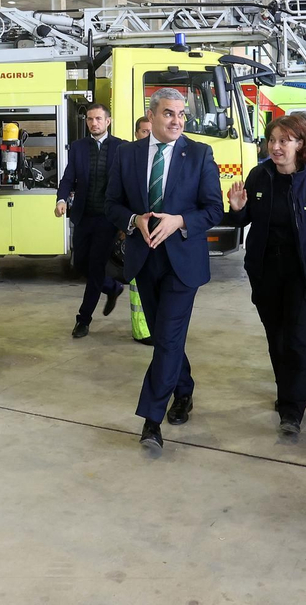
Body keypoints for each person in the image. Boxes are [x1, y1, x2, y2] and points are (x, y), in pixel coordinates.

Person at [107, 88, 224, 453]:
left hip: (182, 263)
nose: (177, 121)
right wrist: (134, 218)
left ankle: (151, 421)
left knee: (169, 339)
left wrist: (179, 221)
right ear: (152, 116)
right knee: (164, 338)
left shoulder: (200, 153)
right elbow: (110, 203)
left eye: (181, 115)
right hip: (145, 259)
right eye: (169, 114)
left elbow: (213, 210)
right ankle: (184, 390)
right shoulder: (127, 154)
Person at [224, 115, 306, 438]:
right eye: (273, 140)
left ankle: (293, 407)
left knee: (295, 337)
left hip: (303, 271)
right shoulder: (259, 176)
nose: (276, 147)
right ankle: (286, 394)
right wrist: (237, 209)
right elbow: (243, 221)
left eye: (285, 140)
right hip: (265, 271)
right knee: (276, 337)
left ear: (300, 144)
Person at [57, 104, 126, 339]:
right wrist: (61, 199)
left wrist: (127, 219)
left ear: (108, 121)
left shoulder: (121, 148)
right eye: (89, 119)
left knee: (96, 266)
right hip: (84, 216)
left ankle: (83, 320)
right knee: (80, 264)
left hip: (107, 219)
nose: (93, 123)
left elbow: (127, 184)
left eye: (98, 119)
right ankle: (111, 287)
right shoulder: (78, 148)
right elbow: (68, 177)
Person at [125, 116, 153, 345]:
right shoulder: (129, 157)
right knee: (137, 291)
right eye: (144, 131)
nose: (148, 135)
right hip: (138, 236)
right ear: (136, 133)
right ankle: (141, 331)